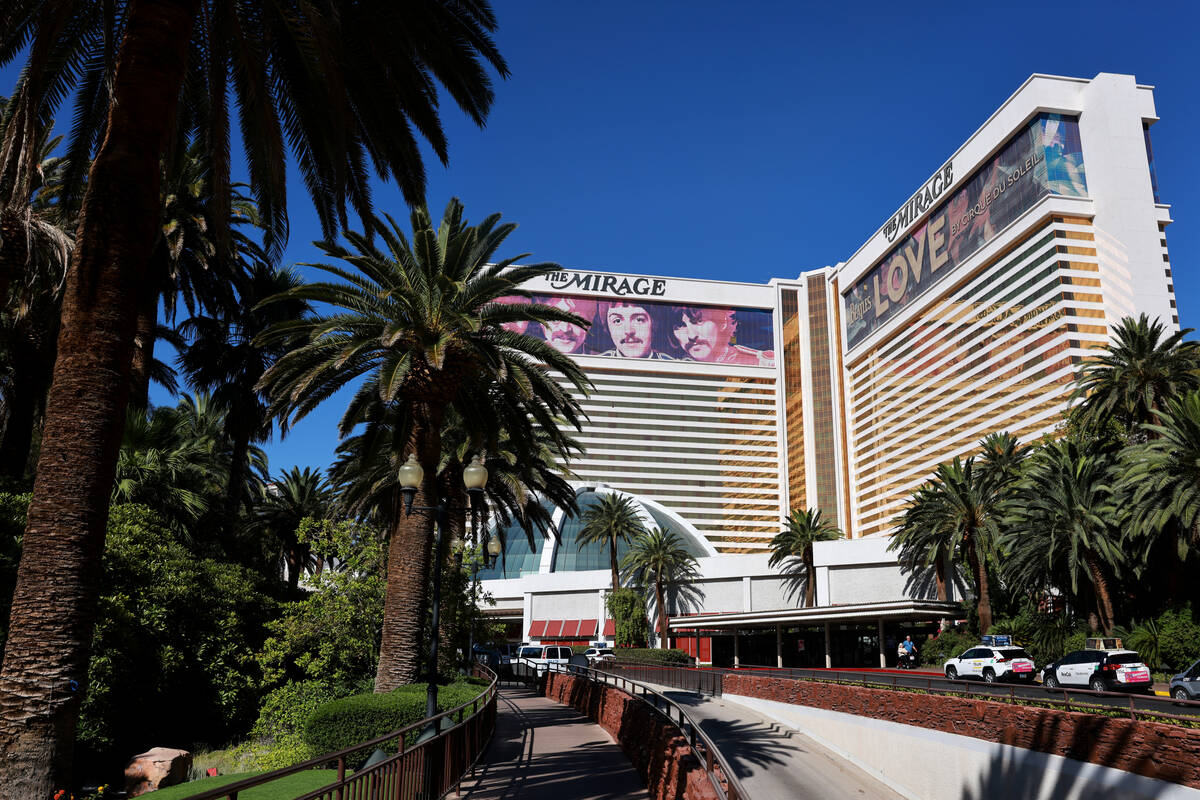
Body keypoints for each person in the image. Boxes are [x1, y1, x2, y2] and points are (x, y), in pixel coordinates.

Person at [669, 306, 775, 366]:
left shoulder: (759, 363)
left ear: (722, 323)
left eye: (699, 321)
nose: (691, 335)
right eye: (680, 325)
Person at [598, 301, 674, 359]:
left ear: (654, 324)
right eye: (617, 321)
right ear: (608, 327)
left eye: (639, 320)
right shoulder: (596, 364)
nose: (629, 331)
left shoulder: (672, 366)